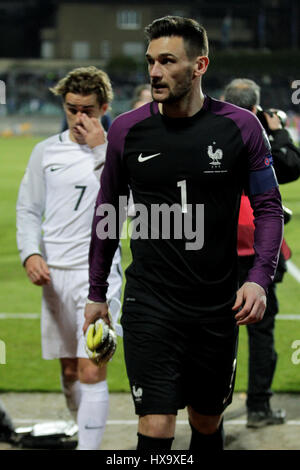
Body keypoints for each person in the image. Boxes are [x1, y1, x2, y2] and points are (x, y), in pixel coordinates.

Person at [83, 16, 283, 451]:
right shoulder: (126, 131)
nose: (154, 71)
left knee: (207, 423)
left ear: (199, 65)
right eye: (151, 61)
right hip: (150, 301)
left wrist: (258, 278)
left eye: (167, 61)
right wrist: (97, 292)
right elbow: (108, 212)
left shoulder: (240, 128)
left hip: (216, 304)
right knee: (156, 428)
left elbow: (269, 208)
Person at [16, 66, 123, 450]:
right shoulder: (44, 152)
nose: (79, 118)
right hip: (54, 275)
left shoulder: (117, 151)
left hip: (99, 277)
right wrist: (30, 253)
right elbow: (28, 209)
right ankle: (84, 434)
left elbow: (128, 205)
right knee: (68, 369)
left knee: (91, 368)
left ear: (105, 106)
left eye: (88, 110)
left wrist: (99, 147)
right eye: (72, 109)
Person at [223, 78, 300, 428]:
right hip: (258, 247)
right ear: (255, 107)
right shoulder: (259, 136)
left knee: (217, 332)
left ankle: (211, 407)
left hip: (216, 248)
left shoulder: (209, 132)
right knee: (261, 328)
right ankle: (258, 407)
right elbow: (291, 165)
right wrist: (279, 130)